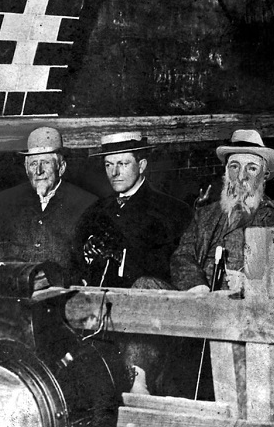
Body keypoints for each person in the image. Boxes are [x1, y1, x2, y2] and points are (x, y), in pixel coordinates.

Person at [73, 131, 193, 394]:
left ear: (142, 165)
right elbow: (77, 261)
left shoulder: (171, 211)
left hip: (146, 326)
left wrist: (123, 257)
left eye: (123, 164)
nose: (114, 172)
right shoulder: (95, 211)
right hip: (98, 322)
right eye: (108, 165)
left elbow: (172, 271)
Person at [0, 126, 97, 287]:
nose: (39, 171)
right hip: (13, 292)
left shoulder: (87, 203)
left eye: (45, 163)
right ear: (26, 169)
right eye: (33, 164)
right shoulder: (3, 201)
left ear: (61, 167)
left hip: (61, 296)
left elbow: (96, 260)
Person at [171, 129, 274, 294]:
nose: (241, 176)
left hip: (243, 307)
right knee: (144, 284)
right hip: (200, 299)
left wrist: (249, 283)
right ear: (226, 171)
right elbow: (182, 256)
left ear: (264, 175)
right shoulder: (205, 214)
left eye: (251, 169)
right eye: (234, 167)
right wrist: (197, 286)